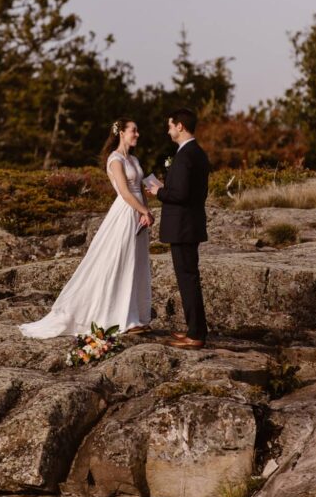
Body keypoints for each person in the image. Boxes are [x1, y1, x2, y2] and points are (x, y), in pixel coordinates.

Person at [18, 118, 153, 338]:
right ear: (122, 133)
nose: (137, 134)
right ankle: (118, 316)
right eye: (133, 131)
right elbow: (125, 192)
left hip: (138, 214)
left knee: (135, 263)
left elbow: (138, 188)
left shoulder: (134, 159)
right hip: (125, 213)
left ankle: (133, 314)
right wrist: (142, 210)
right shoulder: (115, 159)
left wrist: (147, 212)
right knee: (120, 261)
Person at [146, 108, 210, 349]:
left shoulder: (185, 155)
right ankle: (195, 329)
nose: (168, 129)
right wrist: (167, 186)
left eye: (170, 125)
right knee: (189, 278)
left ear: (180, 126)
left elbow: (181, 194)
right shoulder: (197, 153)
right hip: (190, 224)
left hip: (183, 226)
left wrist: (158, 192)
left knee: (187, 280)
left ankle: (196, 334)